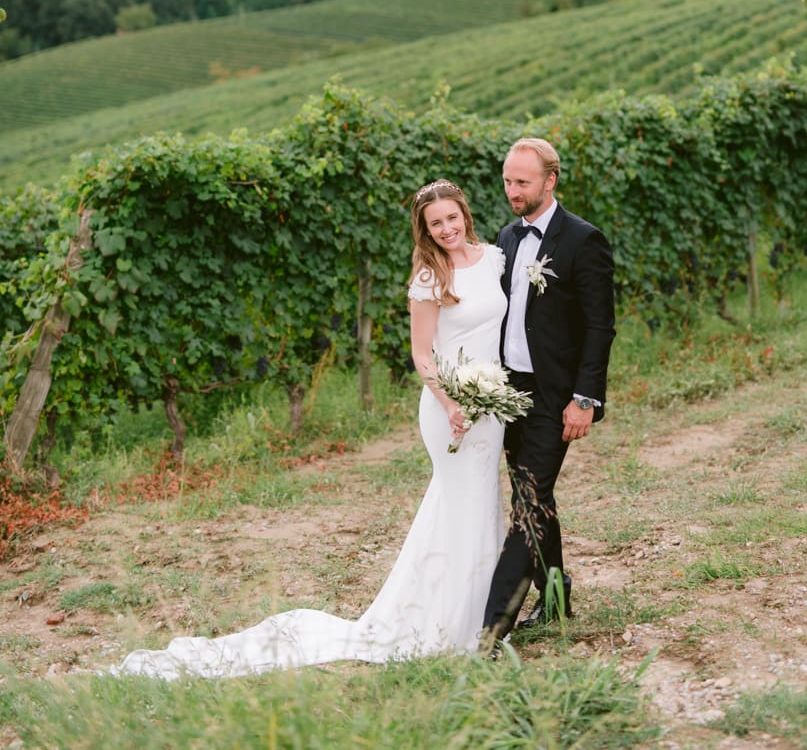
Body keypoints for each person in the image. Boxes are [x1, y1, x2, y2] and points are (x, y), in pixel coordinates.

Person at [108, 180, 507, 679]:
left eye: (452, 218)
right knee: (462, 502)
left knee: (479, 504)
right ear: (424, 230)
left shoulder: (493, 259)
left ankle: (483, 616)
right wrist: (449, 403)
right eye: (435, 223)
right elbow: (421, 355)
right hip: (447, 406)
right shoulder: (430, 276)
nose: (447, 229)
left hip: (490, 404)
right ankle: (455, 625)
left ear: (465, 214)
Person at [481, 137, 615, 648]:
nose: (513, 191)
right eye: (508, 181)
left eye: (523, 182)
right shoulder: (507, 238)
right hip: (509, 394)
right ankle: (556, 599)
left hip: (555, 395)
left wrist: (585, 398)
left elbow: (600, 326)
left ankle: (492, 630)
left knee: (527, 506)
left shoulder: (584, 241)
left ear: (550, 181)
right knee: (532, 495)